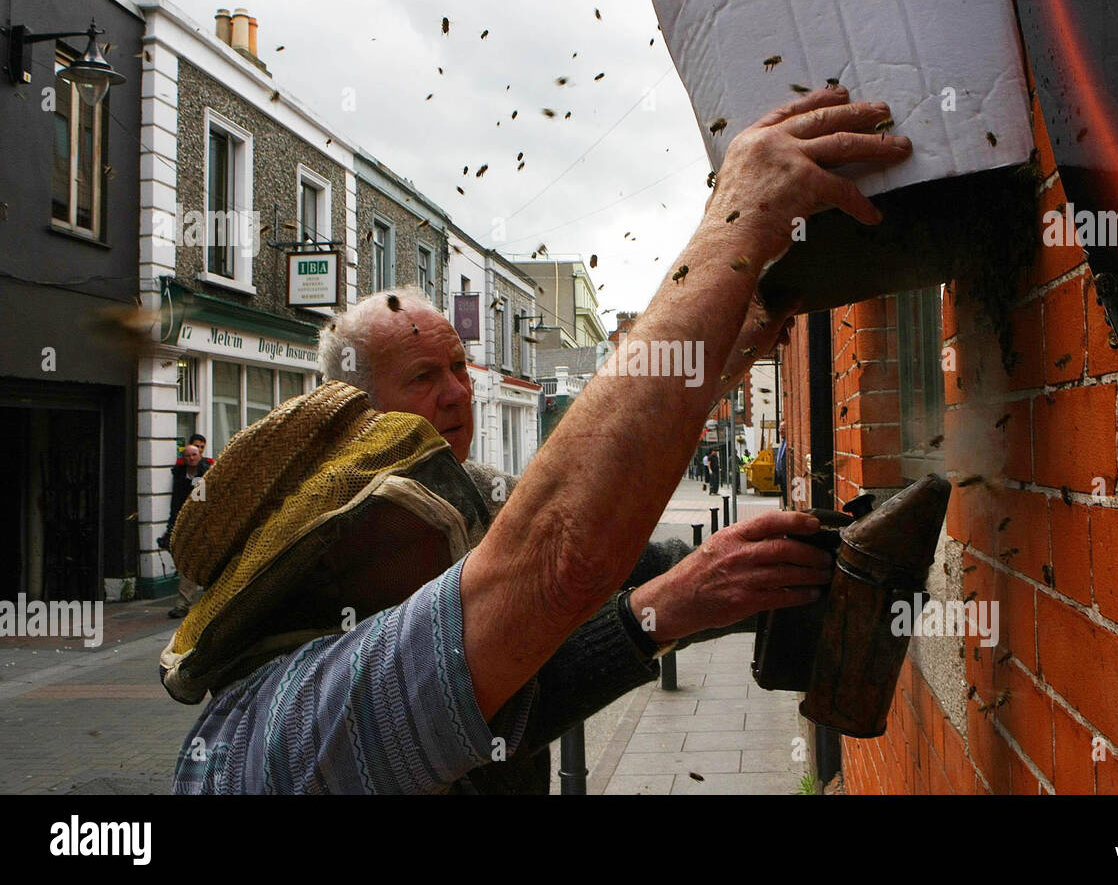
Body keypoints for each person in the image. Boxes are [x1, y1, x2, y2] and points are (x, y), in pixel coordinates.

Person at [169, 85, 910, 793]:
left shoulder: (463, 512)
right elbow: (559, 561)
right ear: (329, 544)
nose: (458, 392)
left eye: (459, 366)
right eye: (425, 377)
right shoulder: (285, 733)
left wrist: (741, 584)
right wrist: (740, 218)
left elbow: (590, 556)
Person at [161, 443, 212, 619]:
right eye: (188, 456)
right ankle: (183, 604)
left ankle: (208, 600)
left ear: (200, 455)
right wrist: (171, 526)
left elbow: (204, 500)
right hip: (185, 524)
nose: (191, 459)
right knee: (186, 563)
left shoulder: (207, 473)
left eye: (194, 455)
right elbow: (176, 503)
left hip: (203, 524)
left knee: (205, 562)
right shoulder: (180, 475)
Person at [774, 421, 788, 505]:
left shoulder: (787, 442)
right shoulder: (782, 442)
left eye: (783, 429)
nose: (781, 431)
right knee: (784, 495)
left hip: (785, 475)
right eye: (780, 429)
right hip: (781, 476)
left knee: (786, 495)